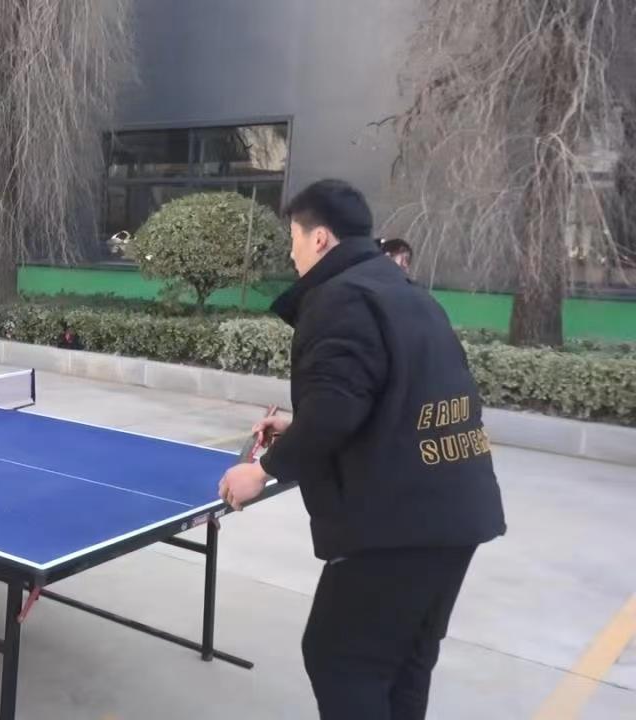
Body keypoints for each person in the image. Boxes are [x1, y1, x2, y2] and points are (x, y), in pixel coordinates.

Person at [217, 180, 506, 719]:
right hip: (458, 511)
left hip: (398, 522)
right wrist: (300, 425)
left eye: (294, 236)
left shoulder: (340, 299)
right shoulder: (403, 291)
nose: (291, 252)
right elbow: (387, 395)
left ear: (320, 238)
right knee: (405, 662)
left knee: (339, 660)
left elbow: (336, 407)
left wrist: (263, 469)